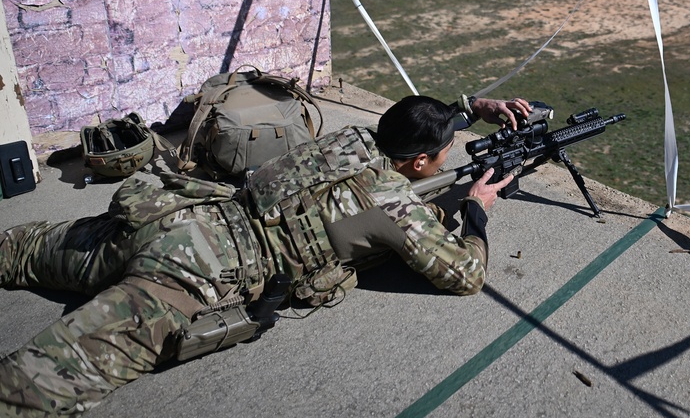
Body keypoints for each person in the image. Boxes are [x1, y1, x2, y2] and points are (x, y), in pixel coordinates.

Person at [0, 94, 530, 416]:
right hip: (188, 276)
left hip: (173, 219)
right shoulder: (396, 207)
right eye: (442, 153)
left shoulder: (351, 138)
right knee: (37, 384)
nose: (445, 157)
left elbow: (407, 122)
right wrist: (477, 211)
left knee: (21, 249)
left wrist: (466, 110)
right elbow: (465, 274)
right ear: (418, 163)